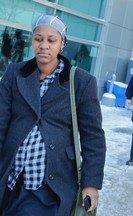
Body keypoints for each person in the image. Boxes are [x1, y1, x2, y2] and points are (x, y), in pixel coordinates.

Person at [0, 14, 106, 215]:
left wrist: (91, 183)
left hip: (50, 183)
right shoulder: (15, 73)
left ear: (62, 44)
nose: (44, 45)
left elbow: (93, 137)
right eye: (38, 39)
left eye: (51, 40)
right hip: (10, 178)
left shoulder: (81, 82)